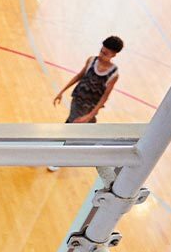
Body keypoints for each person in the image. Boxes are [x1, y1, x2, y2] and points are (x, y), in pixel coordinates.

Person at [48, 35, 123, 171]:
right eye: (101, 51)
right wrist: (62, 91)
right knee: (72, 126)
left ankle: (60, 157)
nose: (101, 54)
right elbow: (79, 76)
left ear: (114, 55)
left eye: (105, 53)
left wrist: (89, 115)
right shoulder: (91, 60)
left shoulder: (113, 73)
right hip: (77, 100)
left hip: (90, 107)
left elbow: (104, 97)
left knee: (74, 128)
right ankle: (68, 148)